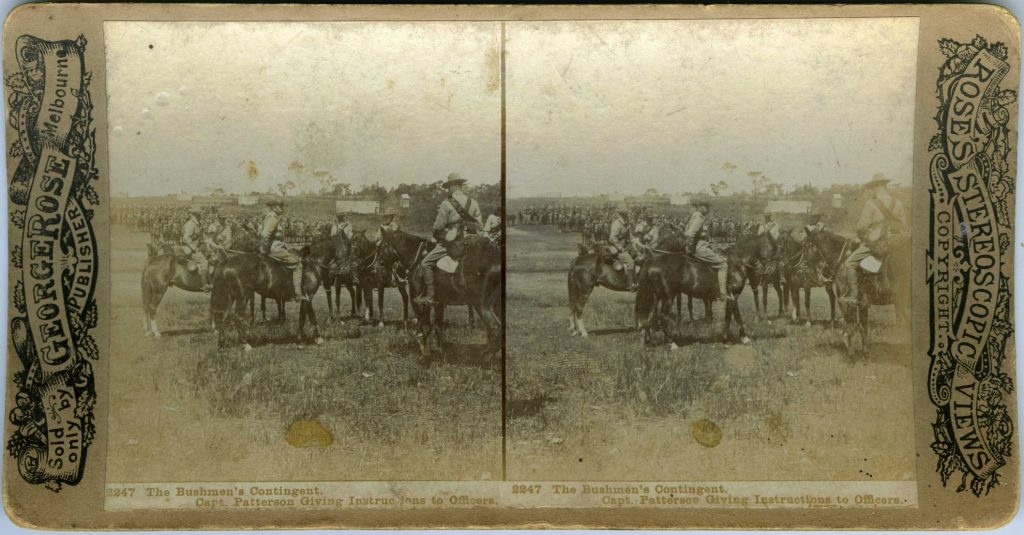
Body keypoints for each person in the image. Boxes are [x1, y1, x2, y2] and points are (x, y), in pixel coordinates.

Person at [417, 173, 483, 305]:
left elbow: (438, 227)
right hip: (471, 242)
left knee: (425, 263)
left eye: (449, 187)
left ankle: (430, 296)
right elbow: (479, 226)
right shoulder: (474, 202)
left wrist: (438, 236)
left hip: (453, 243)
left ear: (454, 186)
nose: (448, 190)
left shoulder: (446, 204)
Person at [841, 174, 908, 303]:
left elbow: (861, 227)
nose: (872, 190)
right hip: (896, 242)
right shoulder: (898, 202)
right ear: (885, 185)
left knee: (849, 263)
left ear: (877, 186)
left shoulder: (871, 203)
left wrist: (861, 236)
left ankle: (854, 296)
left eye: (872, 187)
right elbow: (903, 225)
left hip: (877, 242)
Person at [682, 200, 730, 300]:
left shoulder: (694, 216)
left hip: (700, 246)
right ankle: (722, 293)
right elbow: (690, 234)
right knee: (723, 265)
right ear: (701, 207)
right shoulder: (698, 217)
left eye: (708, 207)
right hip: (699, 248)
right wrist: (688, 246)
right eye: (706, 206)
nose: (707, 209)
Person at [259, 199, 303, 302]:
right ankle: (297, 293)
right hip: (275, 249)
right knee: (298, 264)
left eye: (283, 206)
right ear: (274, 207)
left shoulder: (272, 217)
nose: (282, 209)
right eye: (280, 206)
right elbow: (265, 235)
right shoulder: (273, 218)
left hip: (275, 247)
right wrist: (264, 251)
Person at [182, 206, 211, 291]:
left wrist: (212, 244)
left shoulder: (198, 224)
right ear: (193, 215)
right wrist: (195, 248)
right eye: (198, 215)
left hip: (197, 248)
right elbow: (186, 238)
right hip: (190, 249)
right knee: (204, 261)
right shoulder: (190, 224)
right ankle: (204, 285)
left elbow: (203, 237)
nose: (200, 217)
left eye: (200, 215)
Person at [609, 205, 637, 291]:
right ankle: (630, 285)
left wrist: (637, 242)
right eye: (625, 214)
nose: (627, 215)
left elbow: (630, 236)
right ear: (621, 215)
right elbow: (613, 238)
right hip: (616, 248)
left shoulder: (625, 223)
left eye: (627, 214)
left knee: (637, 256)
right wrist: (620, 248)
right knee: (630, 262)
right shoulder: (617, 224)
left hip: (625, 246)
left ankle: (635, 280)